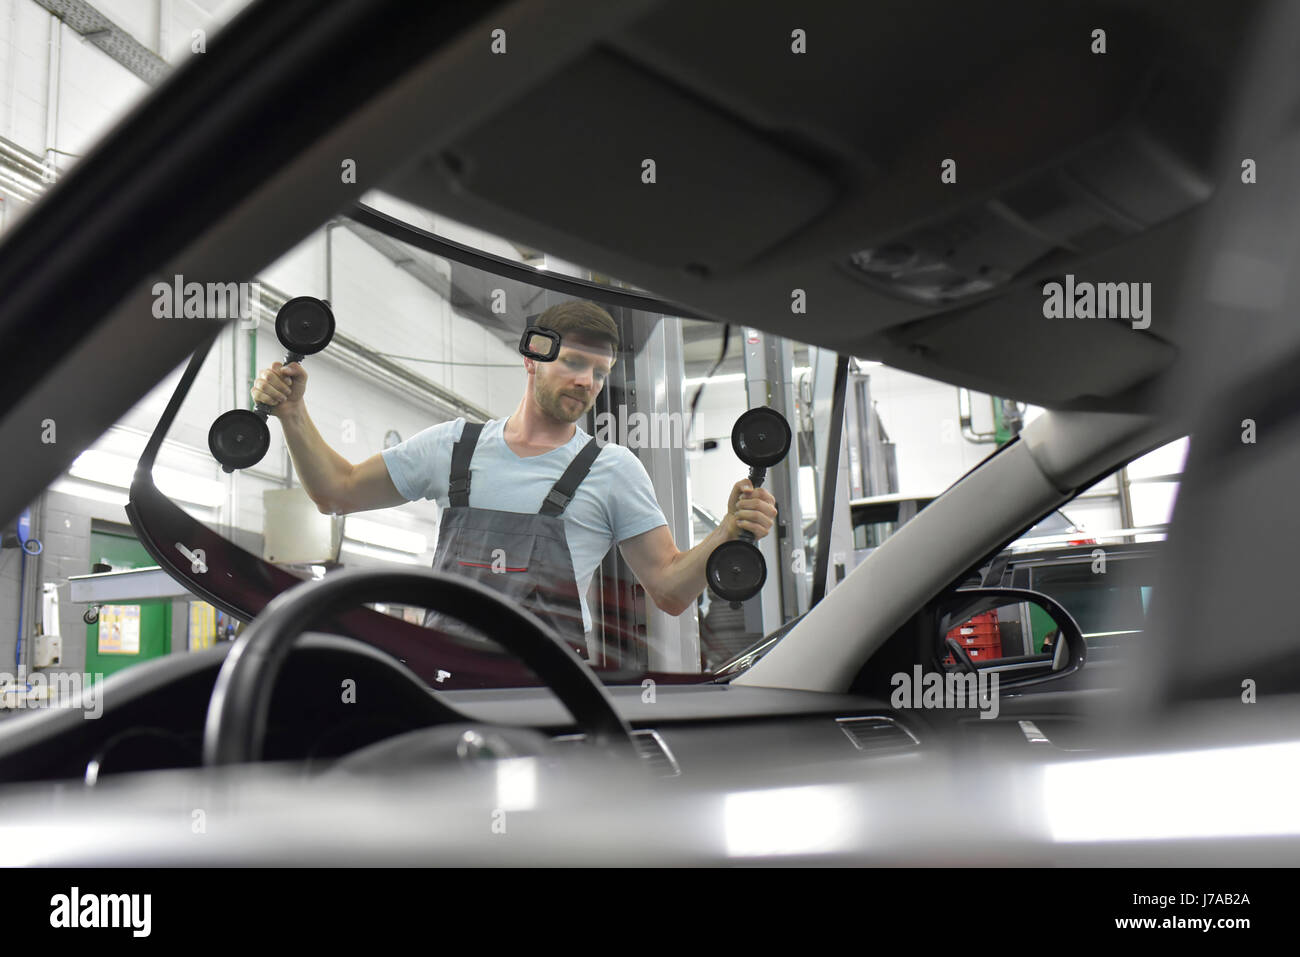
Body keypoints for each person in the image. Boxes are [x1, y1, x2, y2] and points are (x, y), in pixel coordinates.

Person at [250, 299, 777, 658]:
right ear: (532, 356)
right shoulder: (452, 447)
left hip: (553, 690)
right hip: (448, 679)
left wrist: (727, 531)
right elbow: (335, 492)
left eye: (598, 371)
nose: (587, 382)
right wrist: (294, 413)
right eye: (573, 362)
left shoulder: (613, 470)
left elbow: (669, 590)